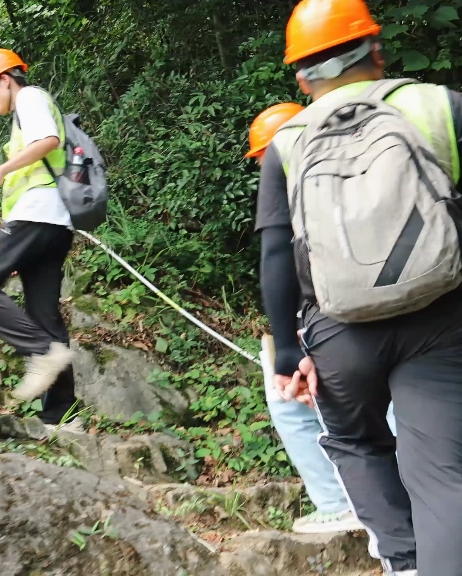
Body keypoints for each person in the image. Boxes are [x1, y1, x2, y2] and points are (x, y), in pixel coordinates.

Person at [258, 0, 462, 573]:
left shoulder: (288, 139)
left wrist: (288, 353)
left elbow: (276, 253)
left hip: (339, 332)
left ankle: (404, 563)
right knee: (443, 477)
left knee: (356, 443)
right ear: (377, 49)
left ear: (301, 77)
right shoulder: (435, 106)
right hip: (440, 317)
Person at [248, 103, 400, 535]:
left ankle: (342, 503)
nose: (263, 168)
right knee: (381, 404)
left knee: (307, 407)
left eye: (264, 158)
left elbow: (286, 262)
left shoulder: (302, 195)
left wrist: (293, 338)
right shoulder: (354, 181)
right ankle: (374, 499)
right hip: (351, 318)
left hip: (323, 323)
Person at [0, 49, 77, 424]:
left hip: (37, 215)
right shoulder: (28, 104)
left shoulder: (29, 97)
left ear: (5, 79)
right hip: (54, 223)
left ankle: (41, 352)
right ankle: (62, 417)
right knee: (44, 315)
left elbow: (47, 141)